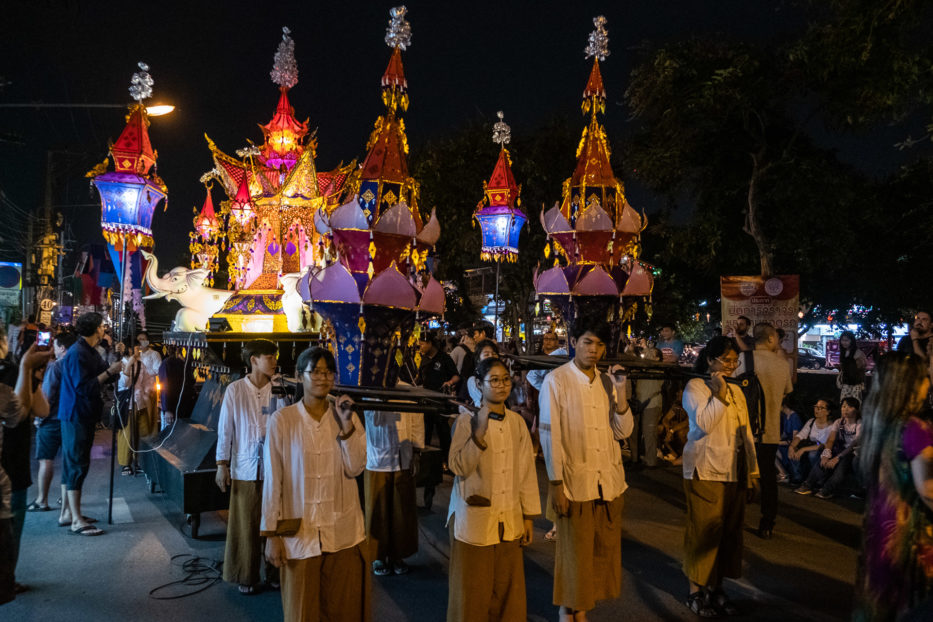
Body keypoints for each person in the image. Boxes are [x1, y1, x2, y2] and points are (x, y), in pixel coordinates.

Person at [262, 347, 369, 622]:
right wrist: (271, 535)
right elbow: (274, 480)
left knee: (341, 608)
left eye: (328, 372)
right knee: (303, 611)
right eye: (315, 372)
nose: (323, 378)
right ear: (300, 376)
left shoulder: (346, 417)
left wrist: (347, 427)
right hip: (301, 532)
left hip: (342, 531)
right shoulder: (283, 421)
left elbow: (356, 467)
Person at [538, 316, 633, 621]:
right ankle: (569, 616)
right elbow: (550, 435)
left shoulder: (607, 381)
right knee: (574, 563)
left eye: (600, 344)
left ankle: (581, 616)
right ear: (574, 343)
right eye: (587, 342)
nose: (594, 350)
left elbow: (622, 432)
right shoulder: (557, 380)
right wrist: (556, 484)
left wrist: (621, 394)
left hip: (607, 483)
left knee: (598, 560)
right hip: (574, 486)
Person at [446, 357, 541, 622]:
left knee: (506, 592)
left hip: (508, 518)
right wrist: (478, 434)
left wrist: (528, 517)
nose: (501, 386)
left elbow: (525, 473)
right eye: (494, 380)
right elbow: (457, 467)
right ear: (479, 384)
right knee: (472, 595)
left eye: (505, 380)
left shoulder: (516, 423)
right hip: (475, 522)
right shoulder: (466, 422)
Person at [681, 336, 759, 617]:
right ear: (710, 360)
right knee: (703, 532)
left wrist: (753, 472)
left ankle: (717, 587)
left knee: (728, 533)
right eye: (725, 360)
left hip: (734, 469)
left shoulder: (736, 391)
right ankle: (695, 590)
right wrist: (719, 394)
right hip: (705, 469)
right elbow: (703, 423)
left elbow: (746, 432)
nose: (730, 365)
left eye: (734, 361)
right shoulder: (695, 387)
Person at [853, 352, 932, 621]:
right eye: (923, 378)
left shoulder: (877, 424)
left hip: (880, 532)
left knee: (879, 605)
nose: (928, 383)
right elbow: (928, 490)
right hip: (910, 537)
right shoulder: (915, 429)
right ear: (910, 383)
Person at [216, 339, 286, 595]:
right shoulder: (235, 390)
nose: (275, 361)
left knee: (274, 520)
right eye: (270, 356)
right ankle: (246, 574)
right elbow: (225, 430)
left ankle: (275, 571)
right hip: (245, 467)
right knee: (245, 523)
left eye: (275, 357)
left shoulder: (280, 389)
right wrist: (221, 464)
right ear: (253, 359)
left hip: (274, 467)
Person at [57, 312, 124, 536]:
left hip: (83, 414)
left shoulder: (90, 351)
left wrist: (116, 362)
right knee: (76, 464)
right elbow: (84, 387)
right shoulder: (77, 353)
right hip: (76, 414)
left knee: (75, 463)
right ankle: (76, 520)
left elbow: (105, 375)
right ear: (96, 329)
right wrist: (108, 372)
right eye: (103, 326)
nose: (105, 328)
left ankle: (68, 513)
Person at [0, 336, 51, 605]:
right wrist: (27, 372)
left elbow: (40, 409)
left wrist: (32, 374)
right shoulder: (10, 375)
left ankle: (9, 578)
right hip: (10, 465)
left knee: (12, 527)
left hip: (14, 463)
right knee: (9, 529)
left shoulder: (14, 372)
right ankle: (7, 579)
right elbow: (19, 414)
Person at [735, 323, 793, 539]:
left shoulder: (742, 360)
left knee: (740, 474)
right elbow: (787, 391)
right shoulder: (781, 364)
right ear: (770, 339)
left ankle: (735, 518)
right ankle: (767, 522)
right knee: (768, 477)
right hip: (769, 431)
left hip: (743, 429)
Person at [364, 383, 424, 576]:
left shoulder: (406, 389)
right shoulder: (368, 389)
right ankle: (379, 555)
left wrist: (416, 452)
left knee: (401, 509)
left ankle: (398, 554)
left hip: (401, 456)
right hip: (377, 458)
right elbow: (373, 419)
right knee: (378, 508)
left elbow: (416, 419)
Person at [29, 331, 77, 511]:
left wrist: (39, 418)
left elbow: (47, 395)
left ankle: (42, 499)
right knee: (68, 460)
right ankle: (66, 501)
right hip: (70, 419)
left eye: (55, 346)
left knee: (46, 459)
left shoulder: (56, 367)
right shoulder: (76, 365)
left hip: (50, 419)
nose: (53, 349)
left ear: (62, 348)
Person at [797, 397, 861, 499]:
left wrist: (837, 458)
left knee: (841, 468)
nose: (845, 409)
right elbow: (831, 440)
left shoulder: (859, 424)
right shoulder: (838, 422)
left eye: (849, 407)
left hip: (852, 453)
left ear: (856, 409)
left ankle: (827, 489)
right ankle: (808, 484)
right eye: (843, 406)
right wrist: (826, 454)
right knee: (822, 460)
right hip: (839, 449)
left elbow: (854, 444)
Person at [417, 330, 459, 461]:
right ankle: (426, 462)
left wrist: (450, 382)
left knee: (443, 433)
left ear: (430, 343)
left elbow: (456, 376)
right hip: (425, 402)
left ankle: (446, 461)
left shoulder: (444, 358)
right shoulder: (421, 359)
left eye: (422, 344)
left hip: (441, 402)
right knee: (425, 432)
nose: (420, 348)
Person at [115, 340, 149, 476]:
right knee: (126, 434)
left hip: (140, 402)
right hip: (127, 404)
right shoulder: (121, 364)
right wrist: (129, 365)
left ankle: (138, 461)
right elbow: (123, 384)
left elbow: (146, 382)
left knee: (141, 433)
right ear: (129, 350)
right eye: (136, 348)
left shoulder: (141, 364)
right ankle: (125, 463)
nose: (138, 351)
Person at [788, 400, 835, 488]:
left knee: (812, 455)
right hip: (810, 445)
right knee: (793, 450)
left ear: (828, 412)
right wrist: (792, 446)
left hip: (821, 449)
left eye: (821, 408)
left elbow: (825, 444)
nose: (817, 410)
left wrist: (804, 449)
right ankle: (798, 478)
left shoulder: (831, 426)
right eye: (816, 407)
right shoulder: (811, 421)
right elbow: (800, 435)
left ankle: (819, 480)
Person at [158, 346, 196, 429]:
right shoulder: (168, 363)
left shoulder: (186, 364)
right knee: (169, 433)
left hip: (184, 405)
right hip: (172, 407)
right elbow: (165, 387)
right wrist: (167, 409)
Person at [463, 339, 499, 407]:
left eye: (494, 354)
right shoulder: (473, 380)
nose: (491, 357)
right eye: (486, 354)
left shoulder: (502, 376)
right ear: (478, 359)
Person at [776, 396, 803, 483]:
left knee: (773, 449)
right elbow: (784, 434)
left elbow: (794, 439)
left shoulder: (794, 417)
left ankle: (784, 474)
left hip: (793, 445)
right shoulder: (785, 416)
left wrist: (778, 442)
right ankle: (783, 473)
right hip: (786, 443)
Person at [836, 331, 867, 403]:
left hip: (856, 385)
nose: (844, 342)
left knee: (855, 406)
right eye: (842, 340)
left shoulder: (858, 353)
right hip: (845, 385)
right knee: (844, 404)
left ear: (852, 341)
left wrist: (863, 384)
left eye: (846, 340)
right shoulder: (843, 353)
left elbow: (862, 370)